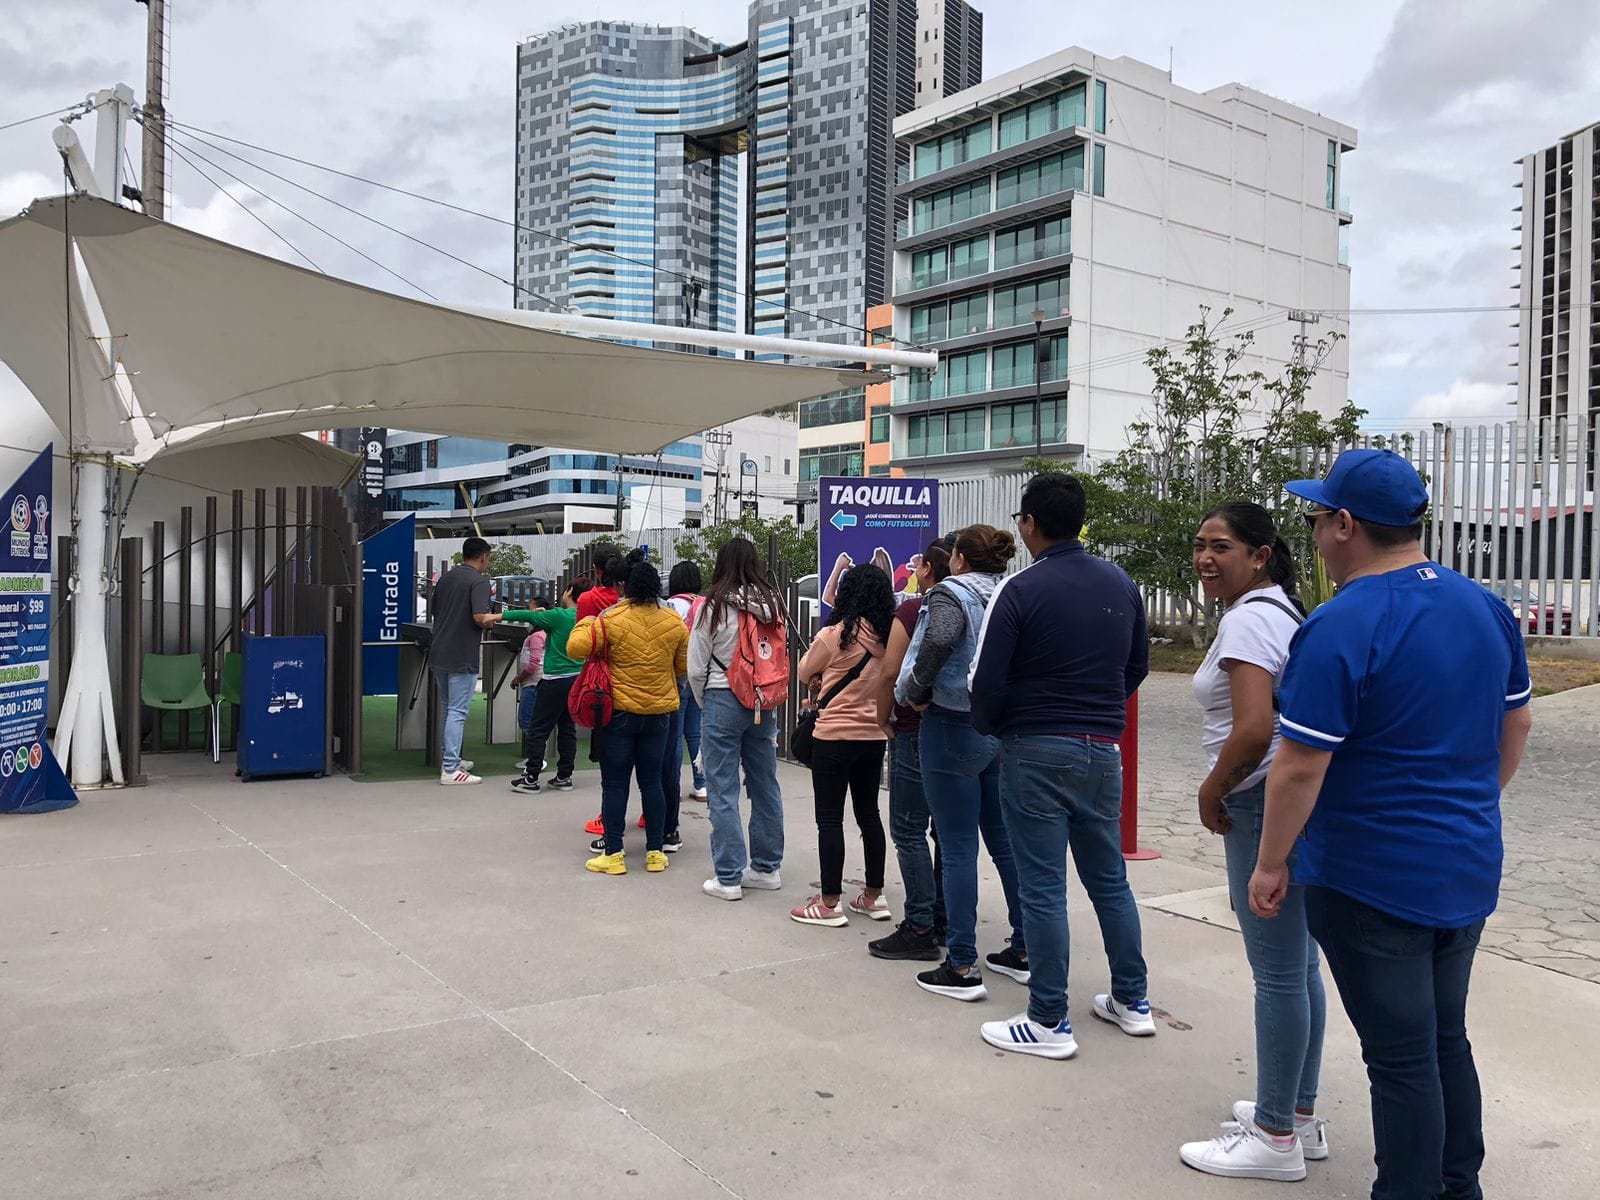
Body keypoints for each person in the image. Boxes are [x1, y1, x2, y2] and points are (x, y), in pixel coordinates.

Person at [1247, 449, 1533, 1198]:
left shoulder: (1343, 623)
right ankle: (1456, 1184)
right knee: (1443, 1040)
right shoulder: (1485, 606)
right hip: (1465, 863)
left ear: (1345, 524)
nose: (1310, 533)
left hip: (1372, 878)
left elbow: (1300, 765)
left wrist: (1271, 861)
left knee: (1400, 1060)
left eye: (1314, 519)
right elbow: (1516, 724)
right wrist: (1470, 801)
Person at [971, 473, 1153, 1059]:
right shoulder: (1121, 584)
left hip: (1036, 747)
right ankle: (1133, 1000)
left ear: (1028, 524)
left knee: (1043, 885)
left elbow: (987, 680)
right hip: (1103, 749)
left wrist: (997, 726)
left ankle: (1049, 1018)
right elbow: (1136, 667)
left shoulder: (1021, 589)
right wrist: (1099, 714)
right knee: (1109, 880)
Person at [1177, 503, 1327, 1182]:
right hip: (1288, 805)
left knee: (1277, 973)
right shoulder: (1278, 611)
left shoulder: (1249, 618)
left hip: (1260, 805)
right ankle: (1295, 1115)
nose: (1207, 558)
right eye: (1201, 546)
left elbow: (1252, 728)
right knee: (1299, 968)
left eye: (1223, 547)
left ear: (1261, 555)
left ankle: (1273, 1137)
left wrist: (1212, 791)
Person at [894, 525, 1029, 998]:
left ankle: (962, 963)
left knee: (955, 848)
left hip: (950, 723)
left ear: (958, 560)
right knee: (1002, 840)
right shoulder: (1011, 591)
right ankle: (1024, 946)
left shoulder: (952, 592)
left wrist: (915, 690)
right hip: (995, 726)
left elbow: (939, 639)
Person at [567, 562, 688, 877]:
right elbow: (683, 667)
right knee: (653, 783)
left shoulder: (611, 618)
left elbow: (575, 647)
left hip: (619, 714)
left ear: (627, 588)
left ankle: (614, 854)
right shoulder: (674, 621)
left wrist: (587, 622)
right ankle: (655, 854)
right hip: (660, 714)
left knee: (615, 784)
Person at [791, 563, 893, 928]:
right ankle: (873, 896)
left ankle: (829, 902)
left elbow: (804, 671)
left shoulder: (835, 635)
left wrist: (820, 679)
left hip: (833, 737)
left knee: (830, 819)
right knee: (870, 816)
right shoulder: (890, 638)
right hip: (874, 738)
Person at [869, 537, 952, 961]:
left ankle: (919, 923)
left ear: (929, 570)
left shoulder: (913, 611)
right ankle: (944, 917)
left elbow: (889, 673)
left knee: (907, 828)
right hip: (962, 730)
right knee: (947, 831)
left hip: (915, 727)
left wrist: (885, 718)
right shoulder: (979, 607)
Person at [689, 538, 787, 901]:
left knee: (722, 789)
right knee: (765, 784)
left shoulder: (713, 606)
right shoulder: (772, 603)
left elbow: (697, 666)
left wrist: (705, 702)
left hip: (722, 698)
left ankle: (728, 876)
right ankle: (765, 867)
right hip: (764, 700)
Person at [505, 580, 590, 794]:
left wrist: (496, 616)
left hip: (554, 679)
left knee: (538, 728)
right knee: (567, 729)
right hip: (576, 679)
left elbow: (528, 616)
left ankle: (531, 777)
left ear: (569, 592)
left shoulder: (560, 615)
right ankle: (564, 775)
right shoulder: (585, 617)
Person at [429, 537, 502, 786]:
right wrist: (499, 616)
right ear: (483, 557)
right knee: (457, 712)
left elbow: (436, 612)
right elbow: (481, 617)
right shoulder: (479, 582)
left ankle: (452, 759)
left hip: (439, 650)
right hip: (462, 654)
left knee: (449, 709)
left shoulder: (446, 579)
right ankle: (450, 769)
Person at [666, 562, 708, 803]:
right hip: (701, 675)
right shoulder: (705, 603)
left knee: (675, 733)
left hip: (678, 675)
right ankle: (701, 785)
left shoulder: (673, 605)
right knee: (694, 732)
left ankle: (672, 784)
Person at [511, 598, 549, 774]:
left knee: (527, 721)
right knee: (531, 720)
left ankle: (537, 758)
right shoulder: (539, 634)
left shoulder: (536, 636)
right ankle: (534, 757)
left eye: (531, 610)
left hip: (533, 682)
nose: (528, 614)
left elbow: (533, 662)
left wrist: (518, 678)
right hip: (533, 682)